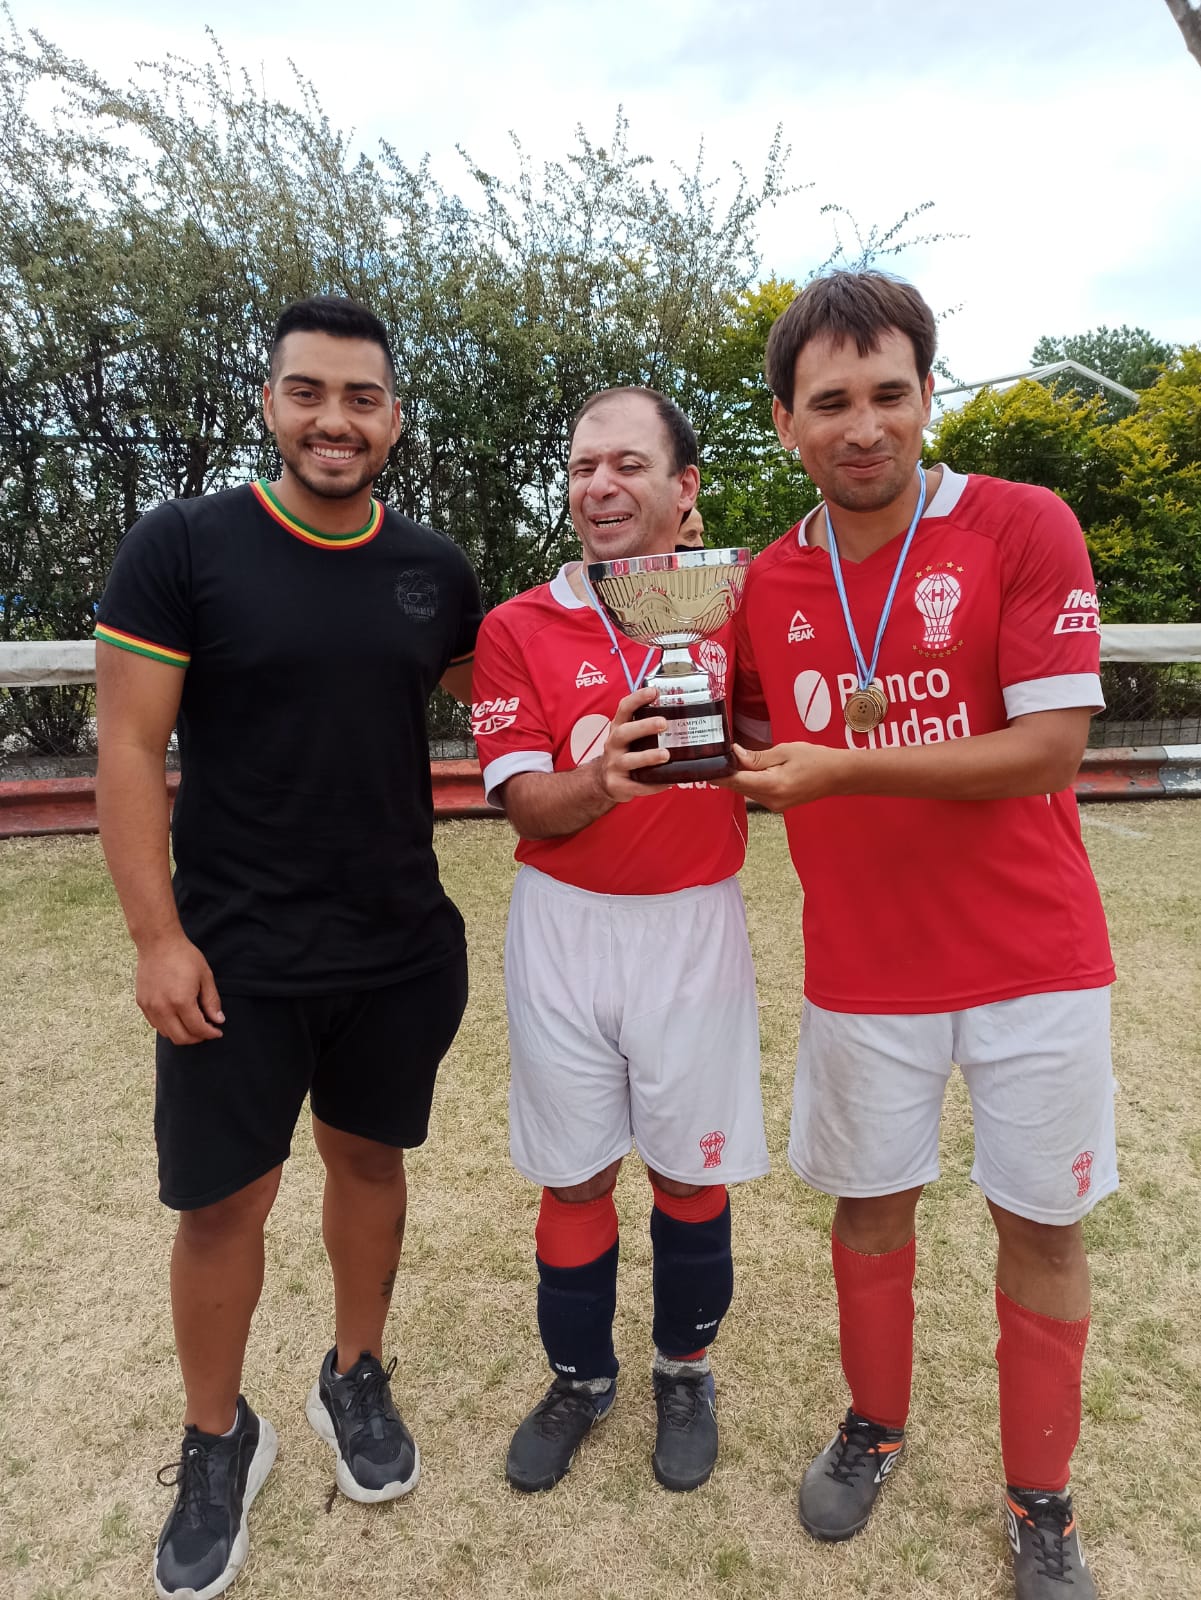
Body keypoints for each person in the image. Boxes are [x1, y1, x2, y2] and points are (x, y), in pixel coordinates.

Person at [726, 271, 1114, 1600]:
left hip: (1031, 959)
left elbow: (1049, 747)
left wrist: (839, 769)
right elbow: (720, 727)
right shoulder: (763, 578)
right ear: (784, 421)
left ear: (927, 395)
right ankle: (876, 1423)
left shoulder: (1019, 523)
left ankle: (1041, 1501)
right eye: (829, 402)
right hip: (866, 969)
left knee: (1042, 1227)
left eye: (890, 393)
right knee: (872, 1211)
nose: (863, 425)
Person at [94, 295, 482, 1600]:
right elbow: (130, 751)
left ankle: (352, 1375)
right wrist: (158, 937)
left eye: (360, 397)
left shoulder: (434, 571)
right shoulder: (185, 547)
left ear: (393, 418)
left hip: (395, 950)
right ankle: (219, 1439)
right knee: (221, 1205)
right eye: (307, 392)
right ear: (271, 404)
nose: (334, 418)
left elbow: (534, 697)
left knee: (367, 1160)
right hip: (235, 957)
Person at [471, 387, 768, 1496]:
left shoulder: (733, 601)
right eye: (583, 464)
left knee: (690, 1174)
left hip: (693, 919)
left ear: (683, 489)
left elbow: (773, 742)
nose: (600, 485)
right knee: (576, 1171)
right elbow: (527, 806)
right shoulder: (516, 626)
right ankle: (579, 1378)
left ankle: (682, 1369)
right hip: (564, 927)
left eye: (628, 465)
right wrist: (603, 776)